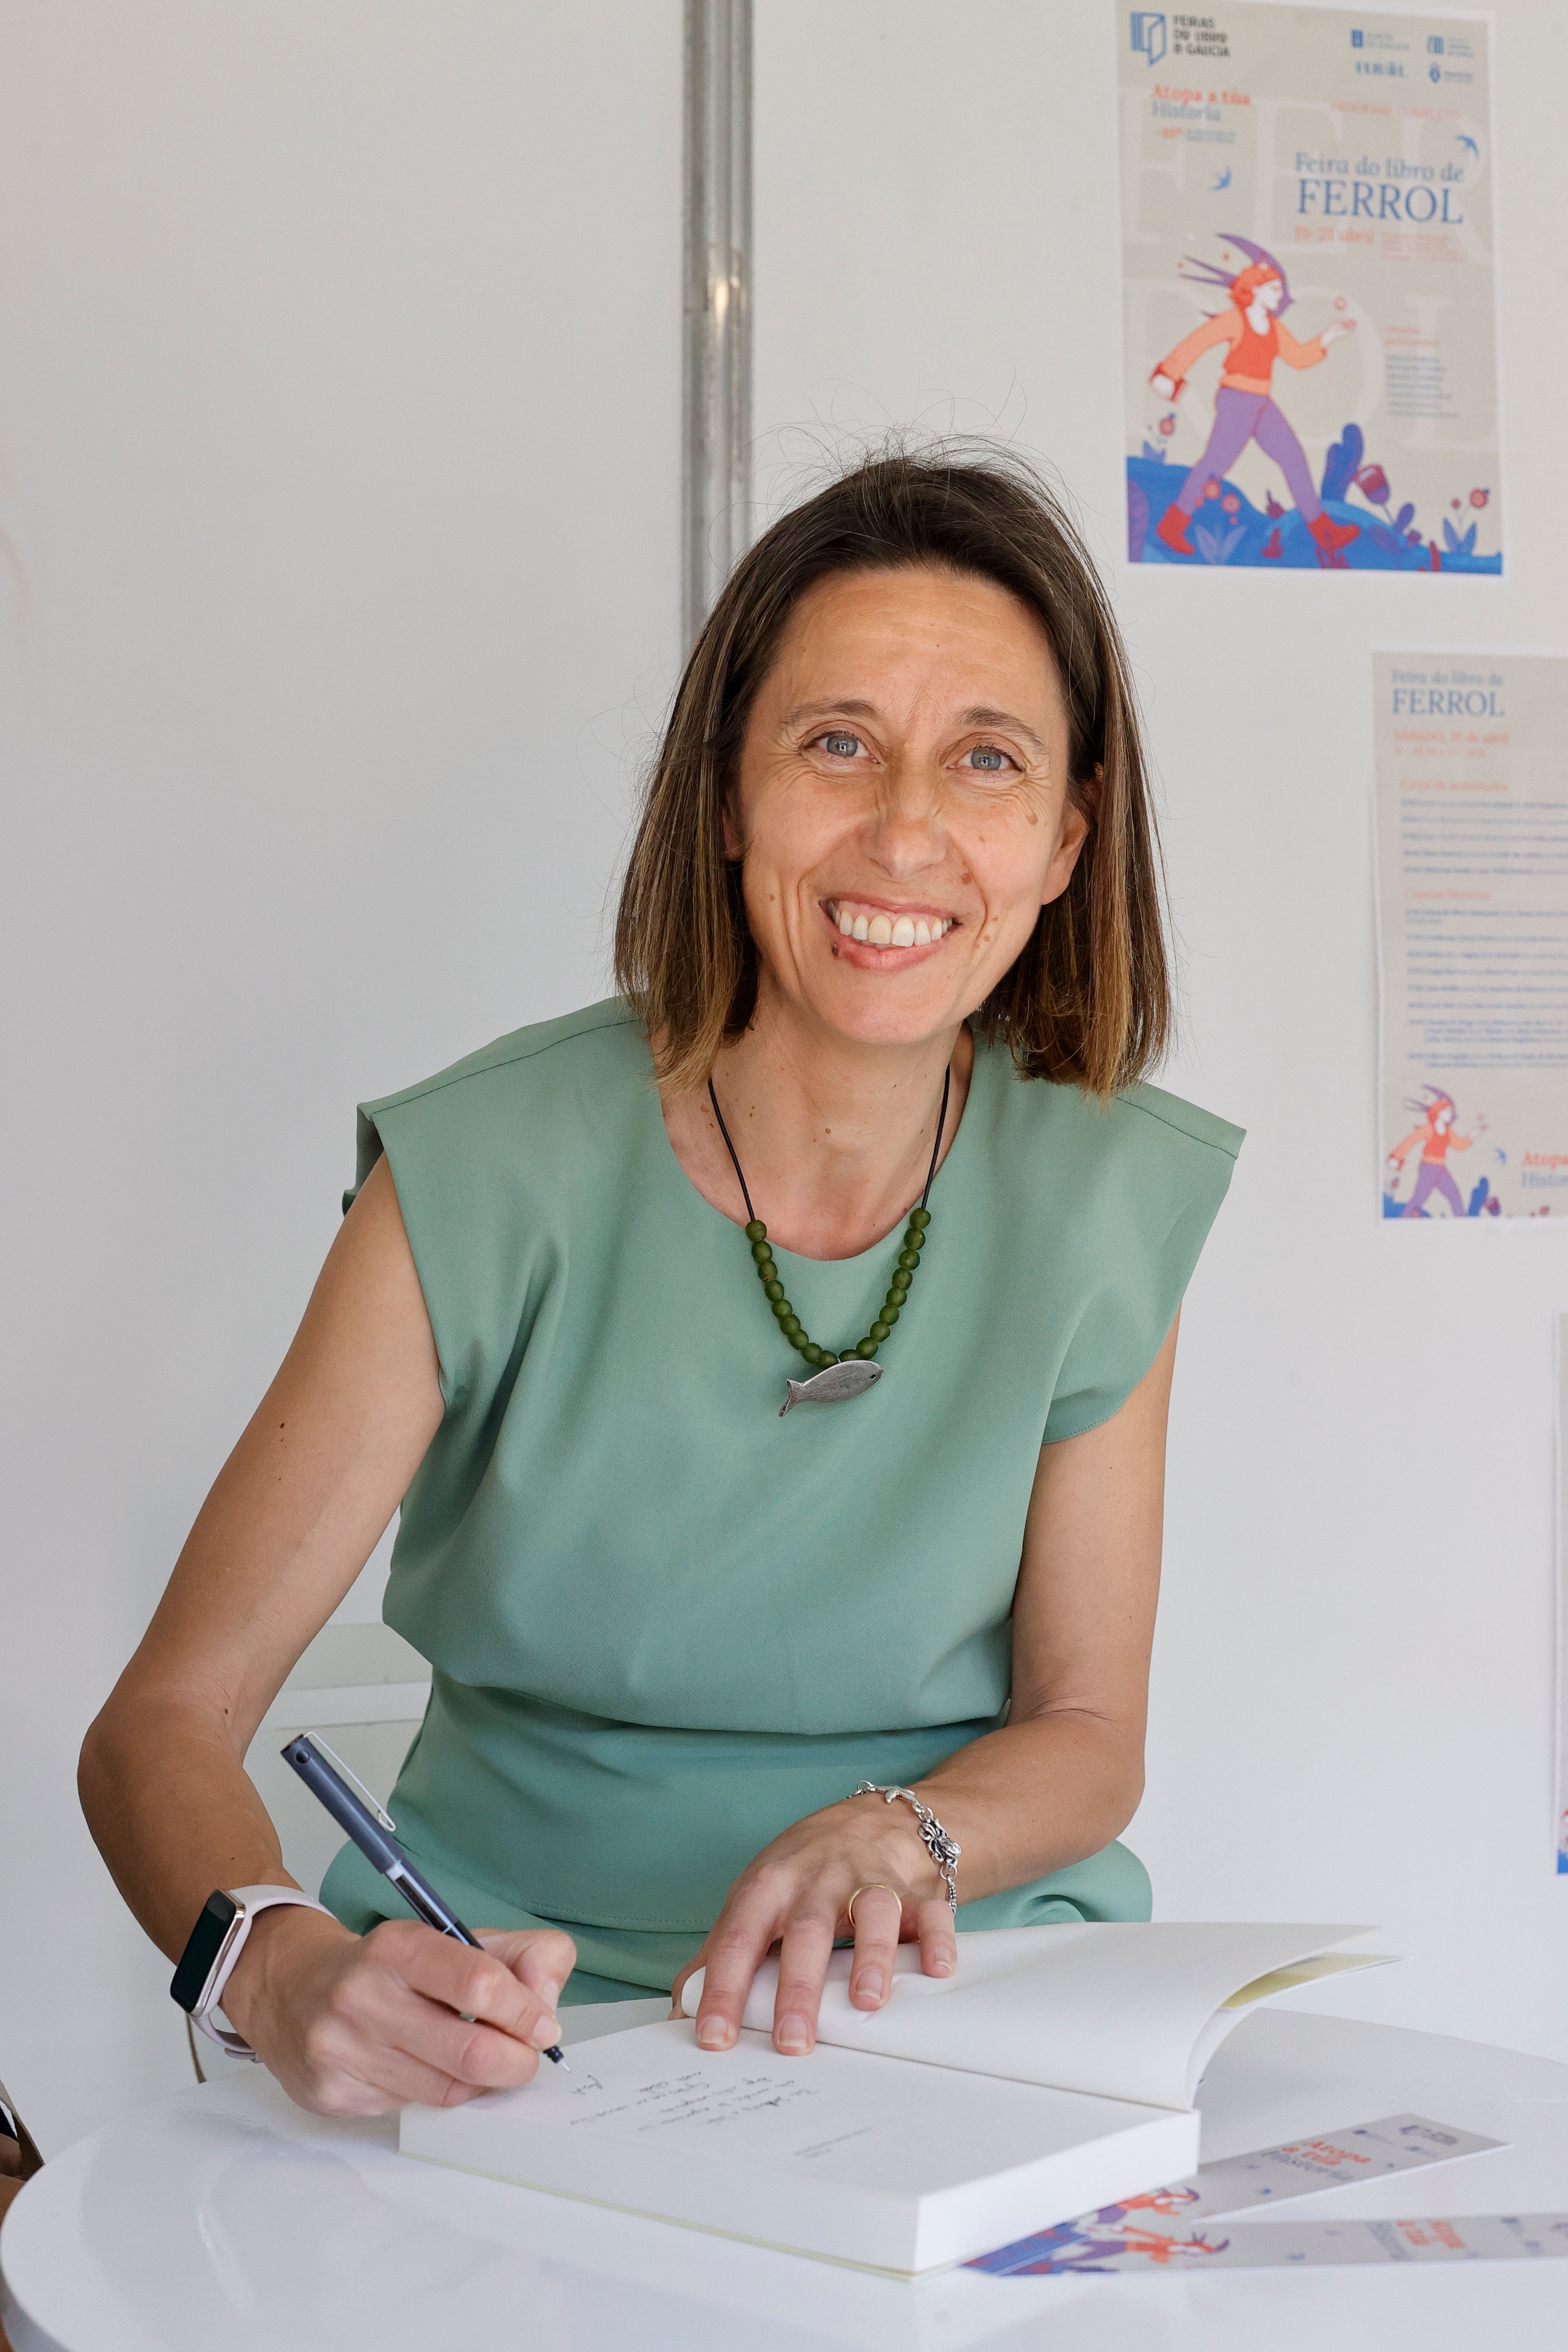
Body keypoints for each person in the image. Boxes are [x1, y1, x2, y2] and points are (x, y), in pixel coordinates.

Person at [80, 447, 1241, 2120]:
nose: (907, 830)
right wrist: (272, 1964)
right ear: (724, 795)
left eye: (984, 761)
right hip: (521, 2041)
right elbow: (163, 1723)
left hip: (975, 2013)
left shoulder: (1113, 1195)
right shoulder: (482, 1173)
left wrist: (905, 1831)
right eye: (837, 744)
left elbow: (1085, 1727)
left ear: (1066, 838)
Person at [1150, 237, 1358, 561]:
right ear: (1256, 289)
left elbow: (1300, 358)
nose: (1281, 295)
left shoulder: (1274, 328)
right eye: (1274, 289)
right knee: (1215, 465)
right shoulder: (1236, 320)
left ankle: (1325, 533)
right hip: (1236, 401)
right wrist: (1168, 373)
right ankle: (1172, 525)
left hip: (1262, 404)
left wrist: (1329, 336)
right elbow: (1199, 341)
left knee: (1294, 459)